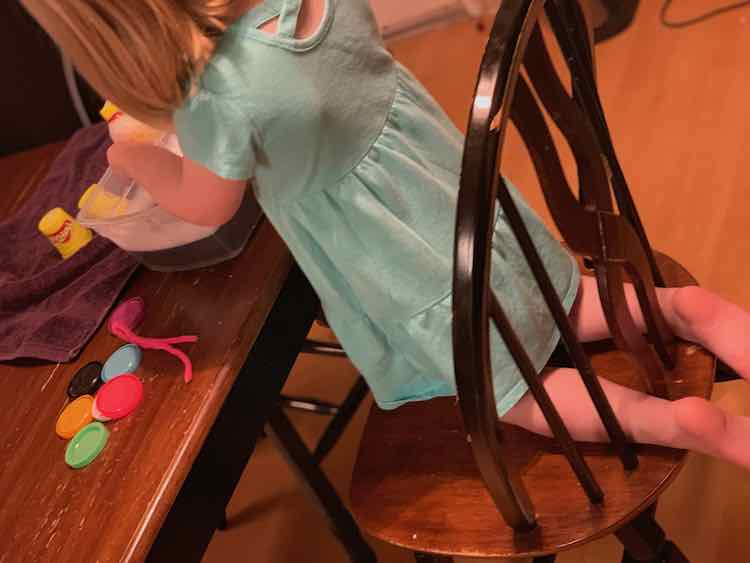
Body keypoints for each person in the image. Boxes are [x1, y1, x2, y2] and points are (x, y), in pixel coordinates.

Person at [21, 0, 750, 468]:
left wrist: (133, 154)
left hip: (419, 269)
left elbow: (207, 206)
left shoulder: (223, 99)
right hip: (471, 211)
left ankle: (684, 421)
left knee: (516, 395)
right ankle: (691, 310)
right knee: (572, 298)